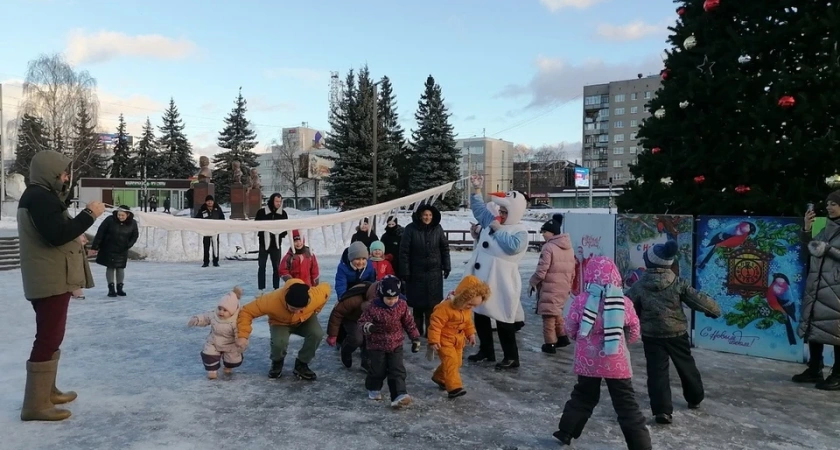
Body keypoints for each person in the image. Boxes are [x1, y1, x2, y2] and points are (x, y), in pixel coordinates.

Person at [17, 150, 106, 421]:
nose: (67, 177)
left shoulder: (41, 196)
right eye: (64, 173)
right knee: (48, 336)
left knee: (53, 335)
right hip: (49, 278)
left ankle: (47, 391)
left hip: (51, 276)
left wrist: (73, 234)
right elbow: (56, 235)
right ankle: (35, 404)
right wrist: (90, 215)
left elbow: (55, 229)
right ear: (50, 172)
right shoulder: (40, 198)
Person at [553, 256, 651, 449]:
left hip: (587, 360)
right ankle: (640, 445)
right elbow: (634, 329)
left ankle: (566, 432)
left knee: (583, 396)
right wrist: (624, 343)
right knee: (625, 403)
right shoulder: (623, 302)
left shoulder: (581, 300)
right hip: (616, 360)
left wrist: (580, 338)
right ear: (615, 276)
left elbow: (570, 327)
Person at [624, 240, 721, 424]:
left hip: (652, 335)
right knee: (686, 365)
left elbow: (626, 305)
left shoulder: (639, 286)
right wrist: (714, 310)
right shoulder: (678, 283)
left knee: (656, 372)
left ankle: (662, 410)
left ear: (649, 262)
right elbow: (698, 299)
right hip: (677, 333)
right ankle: (695, 397)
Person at [463, 175, 529, 370]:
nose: (501, 213)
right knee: (481, 314)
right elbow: (479, 210)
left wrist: (499, 230)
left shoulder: (520, 231)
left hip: (501, 280)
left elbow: (513, 248)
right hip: (482, 278)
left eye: (505, 210)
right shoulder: (492, 221)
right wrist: (477, 190)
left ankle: (511, 356)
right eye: (500, 210)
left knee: (503, 318)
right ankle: (486, 351)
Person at [236, 279, 331, 381]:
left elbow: (326, 289)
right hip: (280, 322)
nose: (297, 311)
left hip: (305, 319)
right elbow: (246, 312)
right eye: (293, 309)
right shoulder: (271, 300)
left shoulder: (314, 296)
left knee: (317, 333)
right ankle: (277, 362)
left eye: (301, 308)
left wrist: (316, 310)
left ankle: (302, 364)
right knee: (279, 343)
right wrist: (243, 336)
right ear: (286, 301)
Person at [796, 192, 840, 390]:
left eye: (834, 204)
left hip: (836, 288)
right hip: (818, 285)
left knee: (836, 330)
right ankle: (815, 368)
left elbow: (824, 249)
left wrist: (827, 249)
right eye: (828, 204)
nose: (830, 208)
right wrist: (807, 229)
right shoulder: (826, 227)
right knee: (815, 325)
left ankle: (838, 374)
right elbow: (810, 251)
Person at [358, 276, 421, 407]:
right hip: (377, 345)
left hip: (396, 343)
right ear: (382, 296)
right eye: (389, 298)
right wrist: (368, 327)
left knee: (397, 369)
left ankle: (399, 395)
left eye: (394, 298)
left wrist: (415, 338)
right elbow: (362, 322)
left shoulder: (402, 306)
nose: (392, 301)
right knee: (378, 371)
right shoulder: (373, 307)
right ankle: (373, 388)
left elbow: (409, 323)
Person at [427, 275, 490, 399]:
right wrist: (433, 340)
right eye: (469, 305)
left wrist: (471, 334)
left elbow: (467, 323)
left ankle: (439, 377)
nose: (470, 308)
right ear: (462, 298)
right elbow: (435, 325)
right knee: (451, 361)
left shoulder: (466, 309)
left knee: (457, 362)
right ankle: (454, 388)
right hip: (444, 340)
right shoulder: (445, 308)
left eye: (474, 306)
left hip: (458, 340)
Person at [399, 203, 451, 336]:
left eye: (429, 215)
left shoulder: (437, 229)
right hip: (416, 273)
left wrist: (447, 265)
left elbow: (444, 248)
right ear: (420, 216)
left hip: (434, 273)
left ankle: (430, 332)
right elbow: (404, 251)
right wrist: (405, 271)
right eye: (425, 215)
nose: (427, 217)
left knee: (432, 306)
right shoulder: (410, 229)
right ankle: (416, 332)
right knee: (417, 306)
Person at [529, 213, 576, 353]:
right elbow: (573, 270)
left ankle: (550, 344)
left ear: (553, 232)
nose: (543, 234)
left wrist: (533, 281)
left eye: (545, 232)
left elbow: (542, 270)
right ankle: (562, 337)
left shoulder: (548, 248)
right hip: (563, 286)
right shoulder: (569, 248)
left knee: (548, 316)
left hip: (550, 286)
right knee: (556, 312)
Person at [187, 286, 244, 379]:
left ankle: (228, 367)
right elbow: (205, 317)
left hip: (230, 344)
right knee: (209, 355)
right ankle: (212, 371)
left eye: (225, 310)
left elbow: (239, 332)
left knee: (232, 359)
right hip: (214, 342)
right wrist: (197, 319)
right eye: (220, 308)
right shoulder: (214, 315)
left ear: (232, 311)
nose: (221, 312)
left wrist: (240, 342)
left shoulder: (235, 321)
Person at [89, 205, 139, 297]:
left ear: (128, 214)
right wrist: (95, 247)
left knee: (120, 268)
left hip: (122, 249)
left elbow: (135, 235)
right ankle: (111, 289)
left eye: (122, 215)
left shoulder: (133, 223)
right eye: (119, 215)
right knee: (110, 267)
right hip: (109, 248)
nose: (120, 217)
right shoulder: (110, 220)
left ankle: (120, 288)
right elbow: (100, 233)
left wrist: (128, 244)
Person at [326, 281, 377, 371]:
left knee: (371, 338)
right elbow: (337, 312)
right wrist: (332, 335)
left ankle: (366, 361)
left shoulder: (386, 299)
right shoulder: (354, 299)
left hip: (369, 320)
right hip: (351, 318)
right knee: (357, 339)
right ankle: (346, 350)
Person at [254, 193, 288, 293]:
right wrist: (263, 235)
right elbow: (256, 226)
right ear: (272, 201)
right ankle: (261, 288)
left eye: (280, 201)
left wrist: (279, 235)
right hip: (263, 244)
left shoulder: (283, 214)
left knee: (276, 267)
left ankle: (276, 288)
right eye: (276, 201)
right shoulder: (261, 212)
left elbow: (286, 228)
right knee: (262, 266)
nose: (278, 203)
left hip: (276, 245)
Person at [195, 195, 225, 267]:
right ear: (206, 202)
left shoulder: (217, 209)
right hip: (206, 231)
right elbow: (197, 219)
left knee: (215, 246)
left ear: (213, 202)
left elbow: (222, 218)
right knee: (206, 247)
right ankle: (206, 262)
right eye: (208, 201)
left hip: (215, 230)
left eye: (211, 201)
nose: (210, 202)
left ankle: (215, 261)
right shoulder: (202, 209)